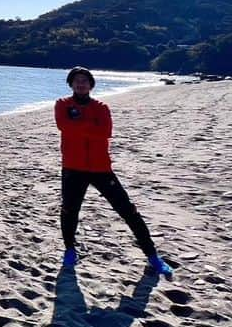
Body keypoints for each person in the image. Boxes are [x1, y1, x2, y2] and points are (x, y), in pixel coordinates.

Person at [55, 66, 173, 277]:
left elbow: (105, 132)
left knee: (128, 211)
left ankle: (153, 256)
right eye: (76, 80)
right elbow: (64, 126)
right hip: (72, 167)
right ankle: (70, 250)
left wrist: (80, 125)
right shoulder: (62, 104)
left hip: (101, 168)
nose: (80, 83)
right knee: (69, 212)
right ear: (71, 84)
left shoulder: (101, 107)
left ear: (91, 84)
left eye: (84, 80)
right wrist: (90, 126)